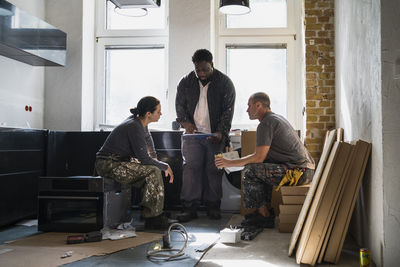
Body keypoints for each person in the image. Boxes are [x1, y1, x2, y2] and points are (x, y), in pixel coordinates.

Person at [215, 92, 315, 228]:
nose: (247, 110)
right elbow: (262, 158)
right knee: (262, 169)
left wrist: (229, 163)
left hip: (299, 173)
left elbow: (258, 157)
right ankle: (265, 211)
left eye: (249, 106)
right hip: (305, 171)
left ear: (258, 105)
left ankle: (264, 216)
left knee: (250, 171)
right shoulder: (275, 118)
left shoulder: (266, 123)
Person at [95, 96, 177, 230]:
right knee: (153, 171)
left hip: (118, 161)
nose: (161, 114)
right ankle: (153, 217)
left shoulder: (141, 123)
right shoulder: (134, 126)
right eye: (158, 111)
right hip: (108, 164)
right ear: (148, 114)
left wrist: (157, 162)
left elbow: (150, 148)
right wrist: (164, 166)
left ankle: (153, 213)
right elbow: (144, 159)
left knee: (153, 169)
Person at [175, 49, 236, 222]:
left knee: (214, 170)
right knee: (190, 171)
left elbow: (228, 110)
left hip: (215, 135)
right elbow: (179, 106)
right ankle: (189, 208)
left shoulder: (225, 83)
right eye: (198, 70)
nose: (201, 73)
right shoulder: (186, 82)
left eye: (205, 69)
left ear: (212, 65)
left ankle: (213, 207)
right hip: (192, 136)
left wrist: (221, 132)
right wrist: (186, 124)